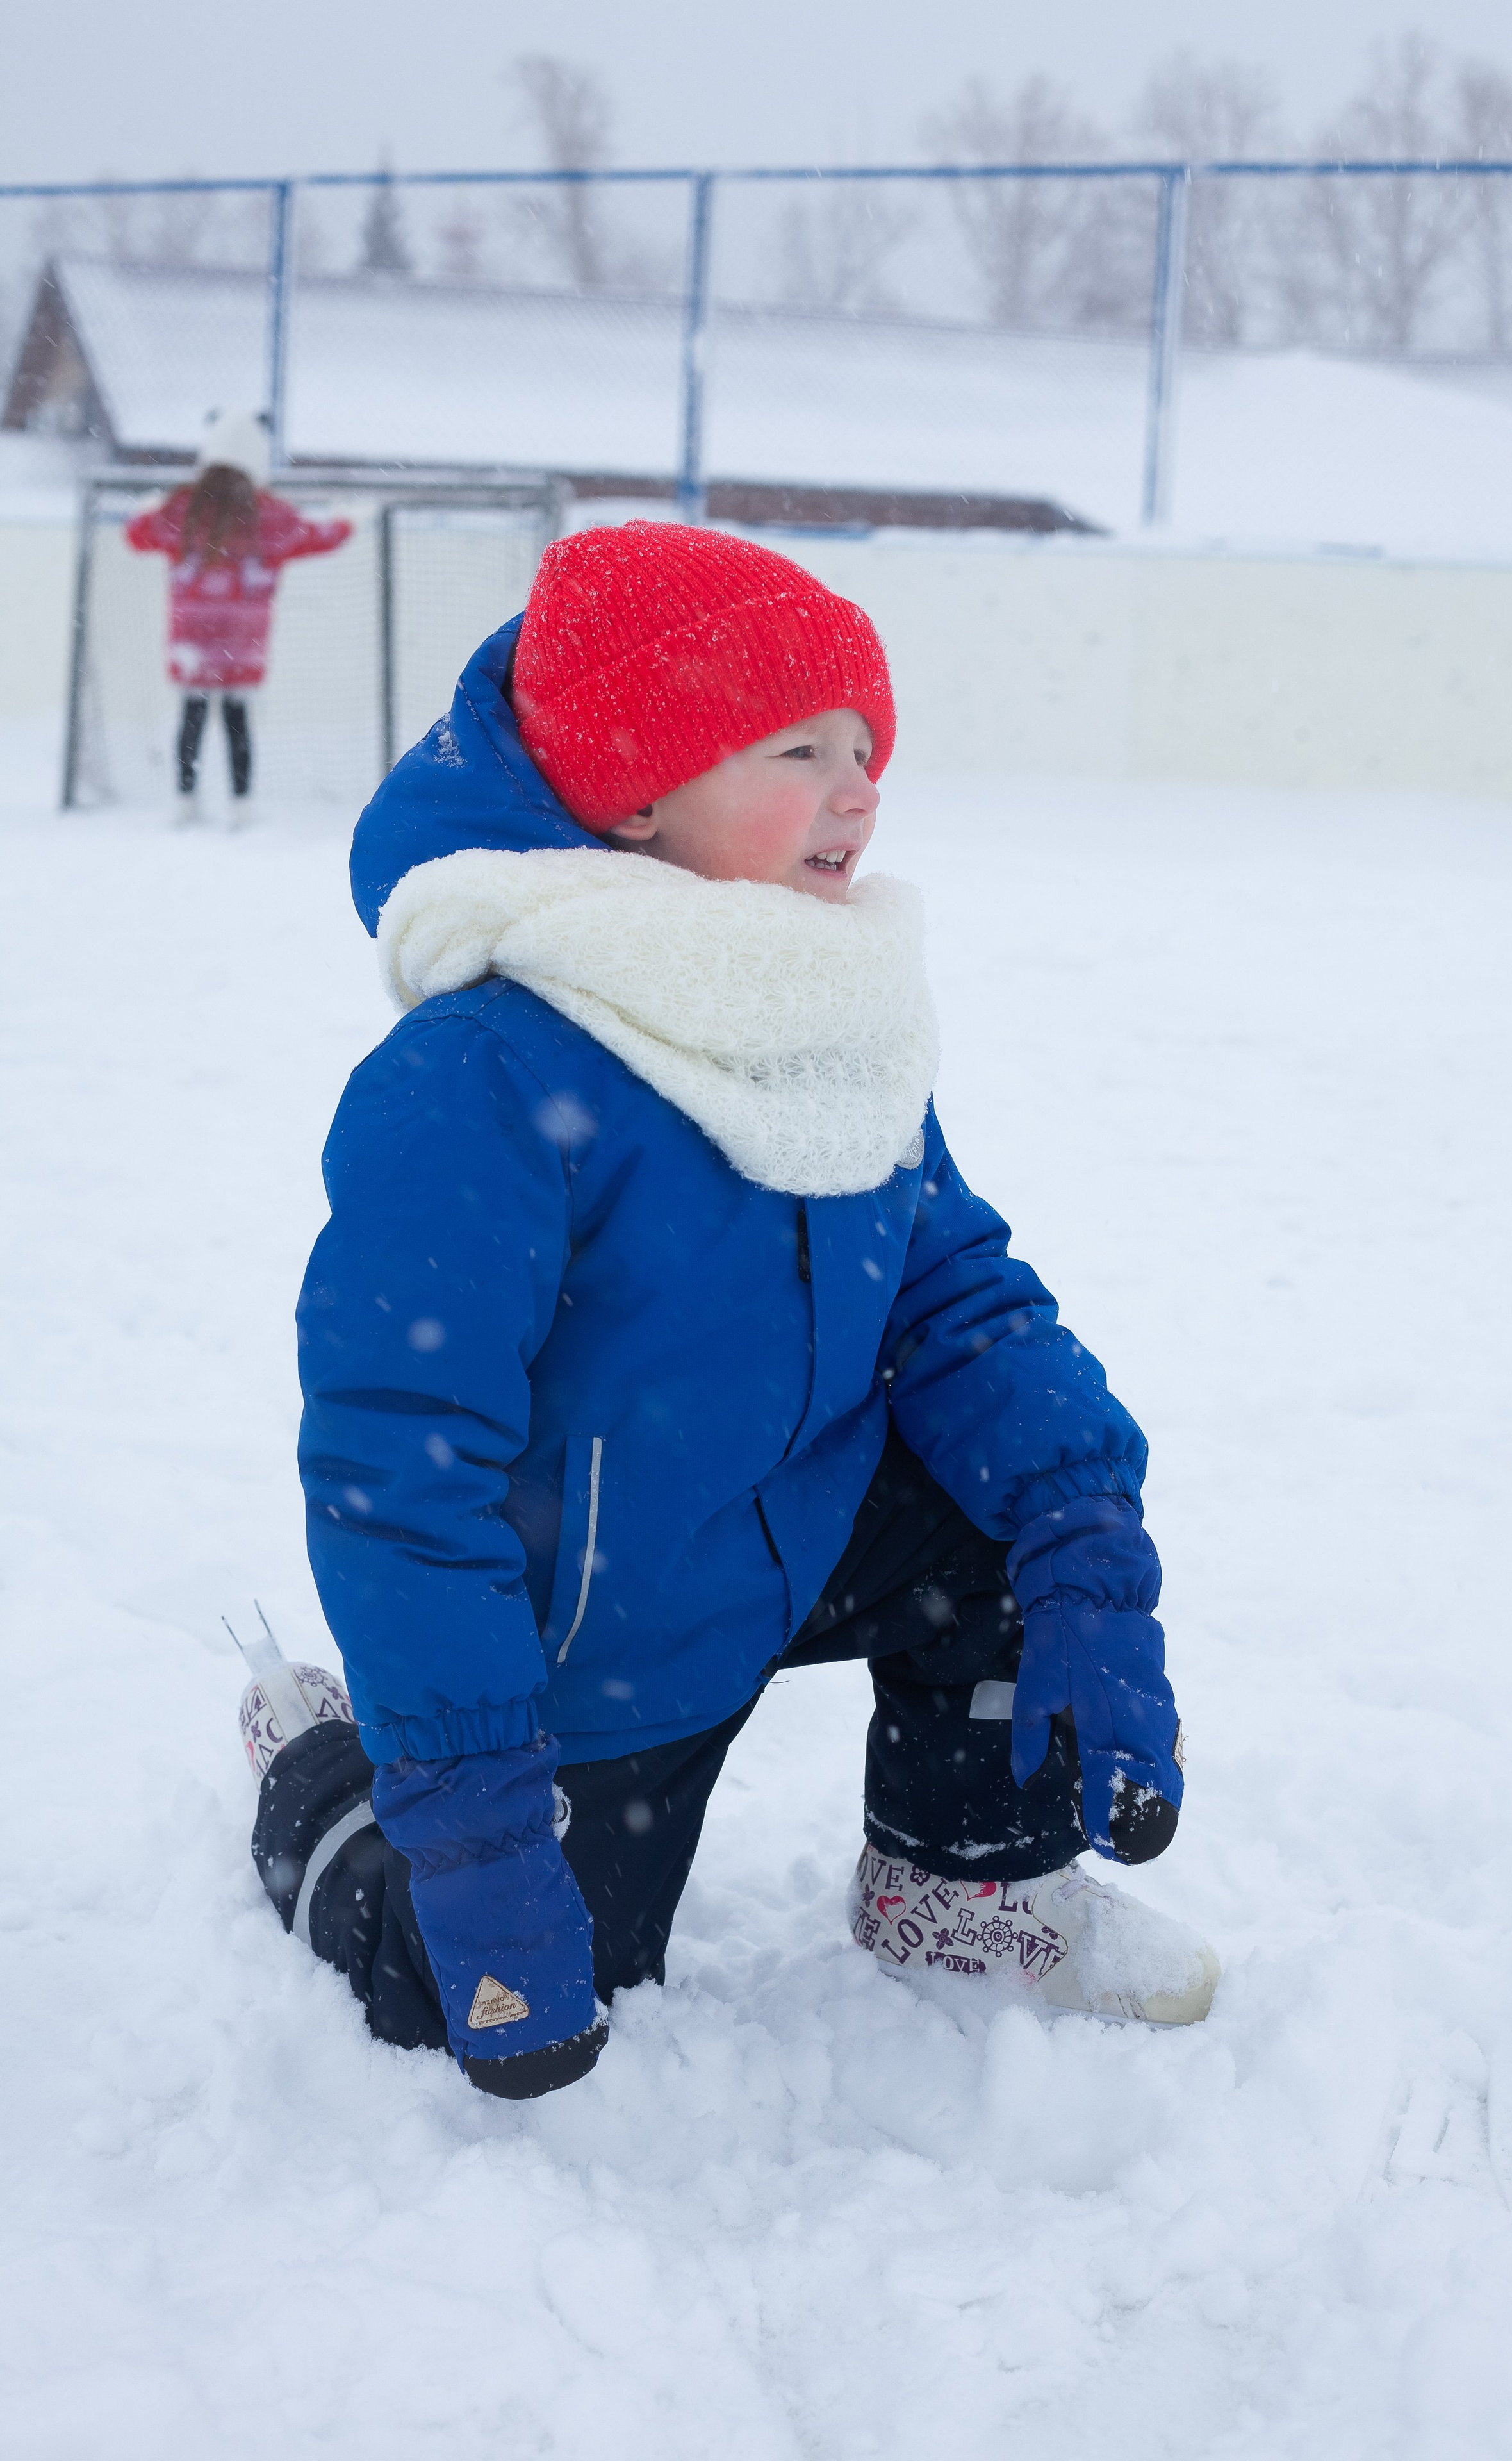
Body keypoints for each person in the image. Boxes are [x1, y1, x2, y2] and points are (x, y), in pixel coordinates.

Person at [251, 522, 1219, 2100]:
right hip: (587, 1633)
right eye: (798, 750)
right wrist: (478, 1823)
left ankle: (961, 1889)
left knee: (1001, 1507)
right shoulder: (481, 1073)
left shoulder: (827, 1009)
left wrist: (1084, 1547)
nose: (857, 790)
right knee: (486, 1985)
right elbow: (399, 1459)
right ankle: (326, 1766)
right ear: (638, 792)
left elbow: (954, 1300)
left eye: (864, 749)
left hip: (786, 1528)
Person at [125, 408, 350, 825]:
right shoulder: (269, 514)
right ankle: (241, 805)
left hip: (192, 638)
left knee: (192, 716)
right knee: (237, 720)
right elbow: (318, 537)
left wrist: (146, 511)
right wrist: (345, 522)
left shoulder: (183, 508)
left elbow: (138, 536)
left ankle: (185, 801)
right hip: (241, 641)